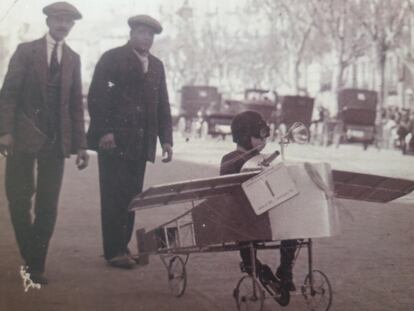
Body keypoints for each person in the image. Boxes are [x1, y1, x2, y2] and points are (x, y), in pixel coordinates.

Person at [0, 2, 89, 285]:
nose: (63, 25)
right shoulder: (26, 52)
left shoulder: (73, 58)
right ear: (48, 21)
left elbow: (76, 104)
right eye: (58, 20)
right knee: (18, 198)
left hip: (56, 141)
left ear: (72, 26)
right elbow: (9, 94)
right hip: (22, 138)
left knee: (48, 204)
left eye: (68, 22)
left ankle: (36, 263)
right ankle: (29, 248)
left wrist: (82, 145)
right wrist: (5, 131)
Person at [87, 15, 173, 269]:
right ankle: (113, 251)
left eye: (150, 35)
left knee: (132, 197)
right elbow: (97, 96)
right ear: (132, 33)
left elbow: (162, 105)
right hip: (114, 142)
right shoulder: (111, 58)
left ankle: (122, 246)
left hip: (140, 143)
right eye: (142, 33)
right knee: (113, 196)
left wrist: (166, 140)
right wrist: (105, 131)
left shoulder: (157, 65)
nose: (146, 38)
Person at [220, 111, 297, 291]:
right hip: (243, 218)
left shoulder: (261, 158)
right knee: (243, 227)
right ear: (245, 136)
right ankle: (252, 265)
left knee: (294, 223)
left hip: (263, 214)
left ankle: (285, 271)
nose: (264, 141)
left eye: (265, 135)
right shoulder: (230, 159)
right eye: (260, 136)